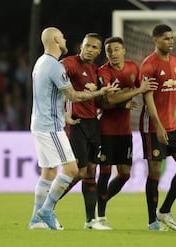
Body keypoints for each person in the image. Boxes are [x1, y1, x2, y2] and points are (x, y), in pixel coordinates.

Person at [28, 27, 119, 230]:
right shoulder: (57, 66)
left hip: (41, 123)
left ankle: (35, 219)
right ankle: (47, 210)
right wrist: (101, 92)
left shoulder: (41, 62)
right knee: (72, 169)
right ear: (55, 40)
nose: (66, 38)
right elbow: (74, 96)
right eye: (62, 36)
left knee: (49, 172)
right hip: (51, 126)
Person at [96, 37, 158, 229]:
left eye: (116, 49)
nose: (113, 53)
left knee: (124, 174)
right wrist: (130, 94)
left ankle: (101, 201)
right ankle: (100, 217)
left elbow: (145, 90)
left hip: (124, 131)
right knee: (105, 172)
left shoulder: (133, 68)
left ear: (123, 51)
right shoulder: (103, 72)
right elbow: (109, 99)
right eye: (109, 51)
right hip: (105, 129)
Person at [139, 24, 176, 231]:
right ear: (155, 40)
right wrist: (159, 126)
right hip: (153, 126)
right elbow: (148, 98)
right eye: (166, 38)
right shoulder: (149, 65)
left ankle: (165, 210)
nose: (170, 41)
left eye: (171, 38)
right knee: (154, 170)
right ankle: (152, 221)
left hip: (171, 124)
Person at [59, 33, 111, 230]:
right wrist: (63, 112)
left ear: (99, 52)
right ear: (81, 46)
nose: (90, 49)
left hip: (93, 125)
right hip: (76, 123)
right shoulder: (69, 64)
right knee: (79, 171)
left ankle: (90, 221)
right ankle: (47, 206)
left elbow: (96, 100)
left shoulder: (95, 71)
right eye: (87, 45)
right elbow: (55, 84)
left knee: (90, 172)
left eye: (94, 47)